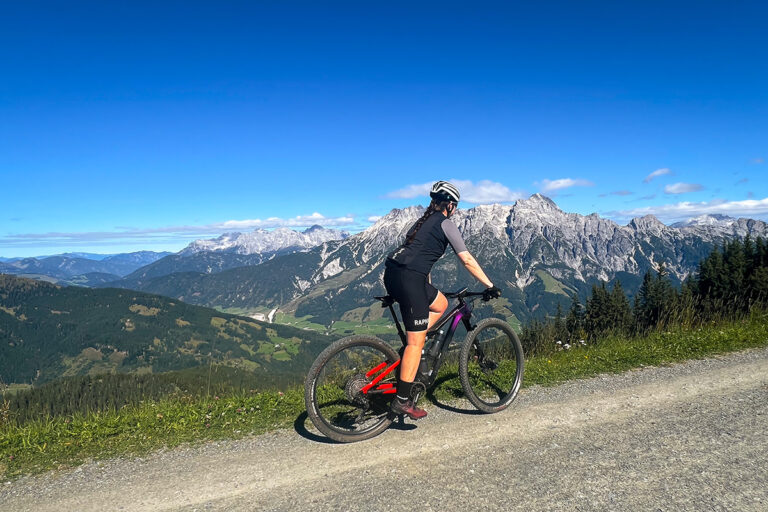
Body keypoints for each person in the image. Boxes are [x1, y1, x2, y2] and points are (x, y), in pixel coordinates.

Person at [383, 181, 501, 419]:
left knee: (441, 304)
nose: (455, 209)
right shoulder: (446, 224)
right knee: (415, 343)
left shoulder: (422, 222)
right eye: (455, 206)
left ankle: (413, 350)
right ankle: (402, 400)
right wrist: (489, 285)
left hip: (393, 274)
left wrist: (423, 287)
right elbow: (466, 259)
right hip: (409, 280)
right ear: (450, 205)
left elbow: (419, 258)